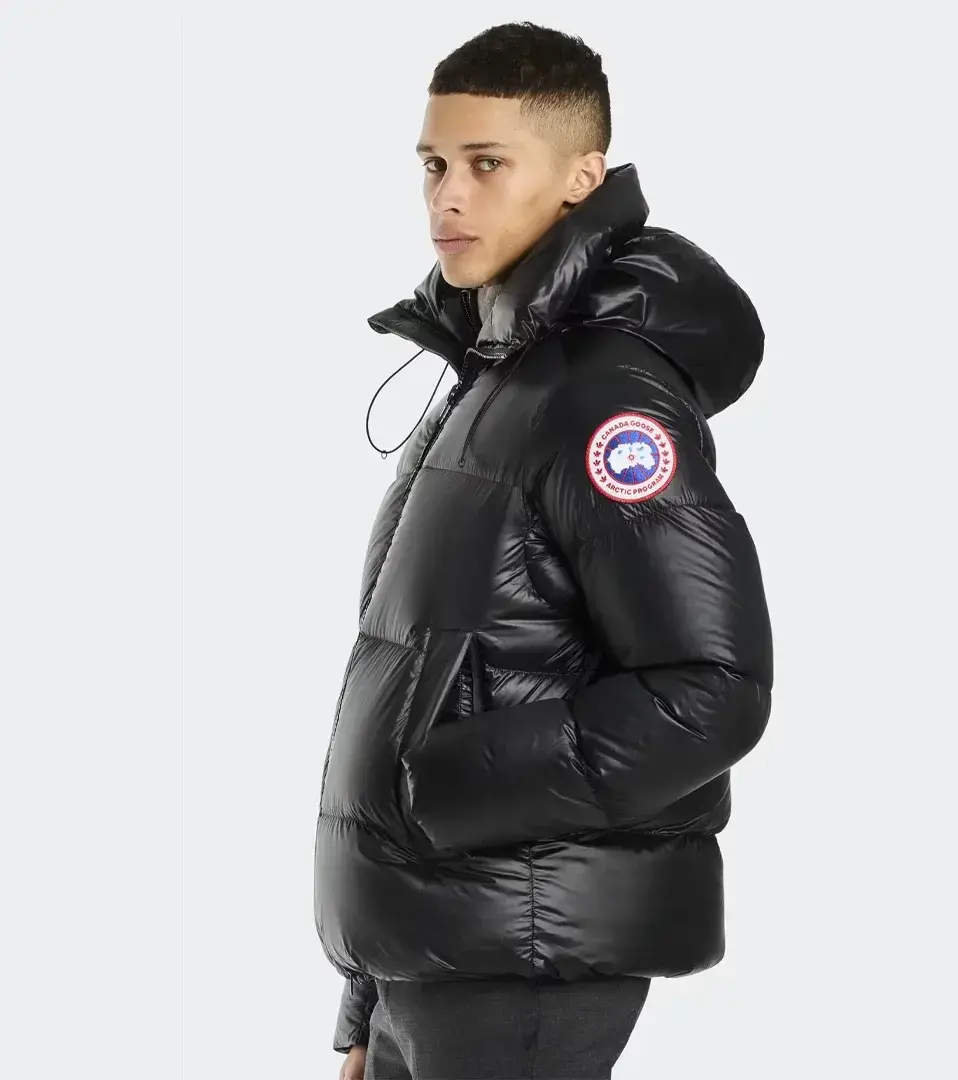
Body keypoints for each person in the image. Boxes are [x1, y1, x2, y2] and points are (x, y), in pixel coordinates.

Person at [314, 20, 773, 1080]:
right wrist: (368, 997)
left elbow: (712, 689)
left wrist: (446, 791)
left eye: (487, 164)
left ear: (581, 177)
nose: (448, 198)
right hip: (437, 946)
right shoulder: (496, 377)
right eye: (434, 164)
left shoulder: (602, 395)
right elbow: (414, 676)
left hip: (523, 954)